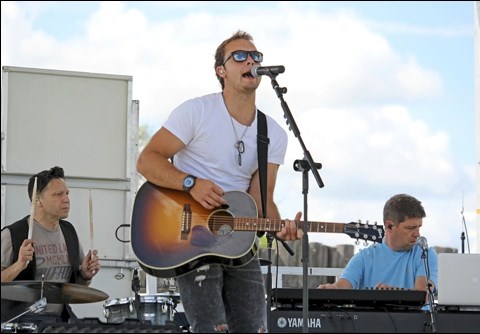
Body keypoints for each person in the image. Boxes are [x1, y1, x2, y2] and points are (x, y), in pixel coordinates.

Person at [136, 30, 303, 333]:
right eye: (240, 56)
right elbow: (147, 160)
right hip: (191, 235)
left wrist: (281, 228)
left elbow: (261, 199)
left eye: (256, 56)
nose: (250, 60)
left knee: (256, 328)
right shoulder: (197, 111)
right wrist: (191, 183)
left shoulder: (273, 133)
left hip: (239, 239)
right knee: (213, 328)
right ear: (221, 71)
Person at [1, 166, 101, 325]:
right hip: (21, 321)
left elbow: (74, 288)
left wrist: (85, 275)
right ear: (38, 200)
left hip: (60, 321)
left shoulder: (69, 232)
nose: (66, 199)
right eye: (58, 194)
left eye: (67, 193)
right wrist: (19, 265)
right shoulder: (12, 234)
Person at [318, 193, 438, 299]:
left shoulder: (425, 254)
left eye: (419, 227)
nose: (417, 234)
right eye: (410, 228)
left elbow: (423, 294)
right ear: (390, 226)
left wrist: (393, 294)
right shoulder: (364, 258)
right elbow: (342, 285)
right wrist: (330, 289)